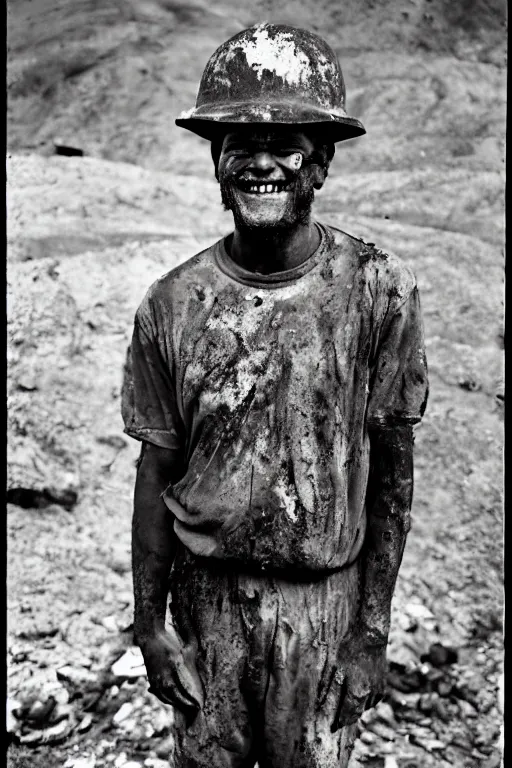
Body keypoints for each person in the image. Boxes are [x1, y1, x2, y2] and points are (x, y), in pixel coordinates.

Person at [121, 22, 429, 768]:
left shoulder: (377, 291)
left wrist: (371, 632)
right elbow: (156, 474)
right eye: (238, 143)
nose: (262, 161)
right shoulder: (171, 305)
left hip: (322, 608)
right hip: (207, 606)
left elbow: (391, 470)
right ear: (216, 165)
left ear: (319, 163)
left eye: (287, 143)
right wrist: (150, 628)